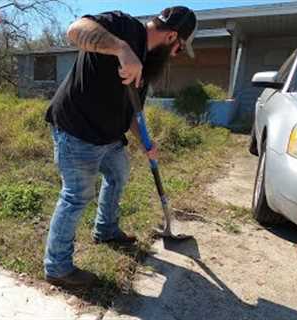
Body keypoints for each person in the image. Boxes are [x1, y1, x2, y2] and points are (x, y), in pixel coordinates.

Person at [44, 6, 198, 288]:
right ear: (172, 37)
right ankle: (57, 268)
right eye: (178, 49)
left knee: (118, 174)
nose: (175, 56)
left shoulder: (147, 64)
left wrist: (146, 143)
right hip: (77, 130)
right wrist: (121, 49)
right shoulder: (124, 27)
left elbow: (132, 113)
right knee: (76, 196)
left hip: (109, 138)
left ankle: (106, 229)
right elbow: (75, 30)